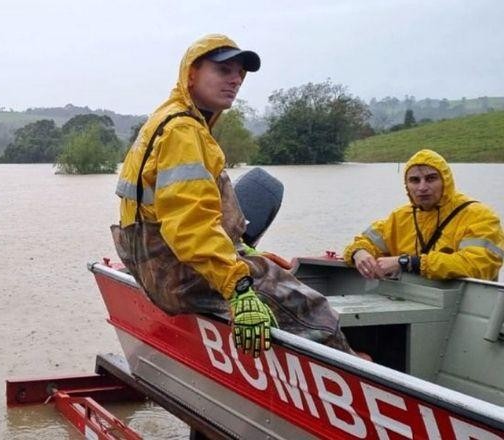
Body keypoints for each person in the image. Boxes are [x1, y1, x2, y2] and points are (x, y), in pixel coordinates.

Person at [112, 34, 356, 359]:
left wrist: (245, 252)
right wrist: (238, 286)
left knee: (270, 273)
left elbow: (187, 211)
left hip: (164, 264)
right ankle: (359, 380)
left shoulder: (172, 120)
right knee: (314, 311)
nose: (235, 79)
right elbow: (190, 226)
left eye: (240, 73)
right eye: (223, 70)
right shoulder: (183, 132)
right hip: (182, 272)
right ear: (192, 74)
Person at [343, 149, 504, 281]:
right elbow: (363, 242)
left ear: (446, 181)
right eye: (414, 180)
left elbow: (479, 265)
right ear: (407, 185)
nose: (422, 187)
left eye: (431, 178)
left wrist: (407, 262)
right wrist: (359, 253)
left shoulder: (480, 216)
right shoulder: (399, 217)